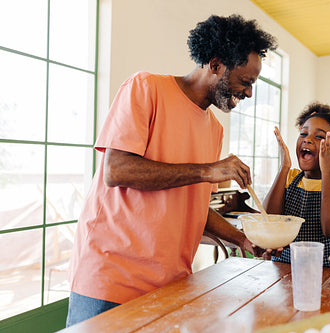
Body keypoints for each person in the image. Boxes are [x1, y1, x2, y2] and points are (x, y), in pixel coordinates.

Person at [66, 14, 278, 327]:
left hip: (171, 282)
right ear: (216, 64)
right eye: (245, 82)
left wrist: (242, 239)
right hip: (112, 276)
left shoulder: (214, 130)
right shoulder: (145, 88)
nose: (248, 93)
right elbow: (116, 169)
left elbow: (194, 209)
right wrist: (207, 170)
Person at [263, 102, 330, 266]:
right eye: (303, 134)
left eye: (319, 137)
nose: (307, 140)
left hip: (326, 268)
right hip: (285, 264)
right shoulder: (289, 177)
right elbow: (270, 219)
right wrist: (284, 167)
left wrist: (328, 172)